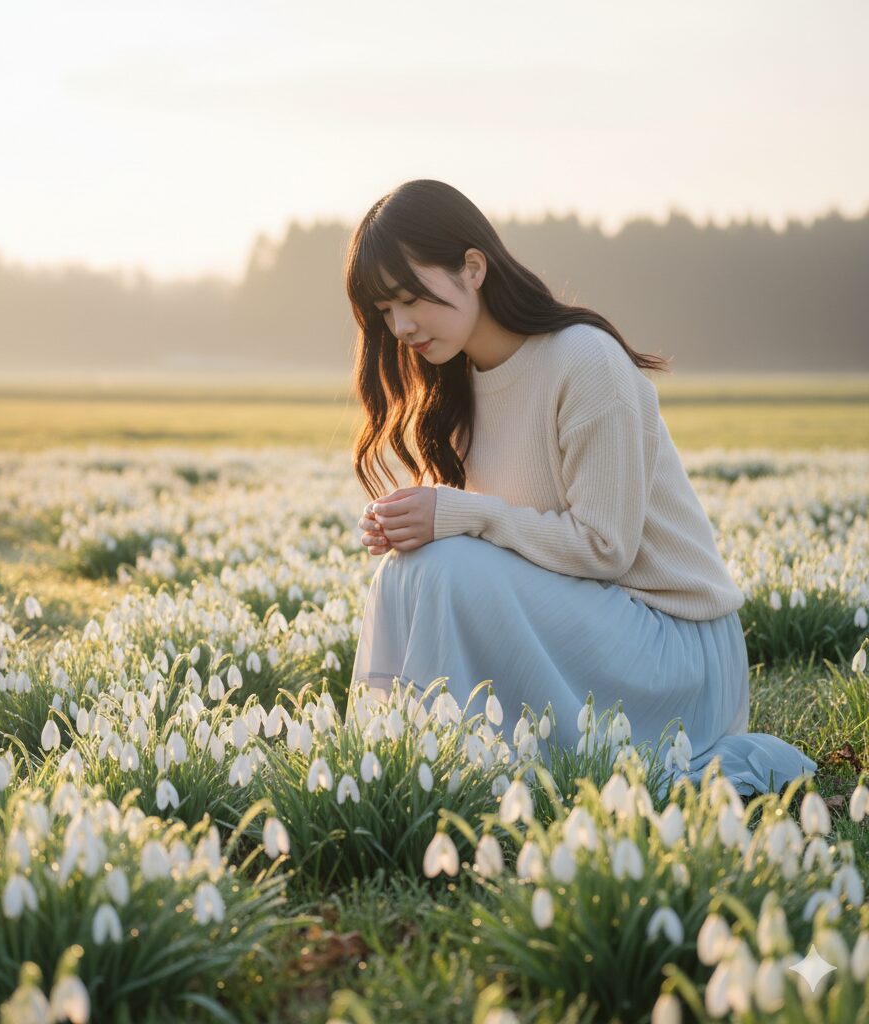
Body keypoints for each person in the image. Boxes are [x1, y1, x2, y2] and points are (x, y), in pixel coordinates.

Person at [343, 178, 817, 797]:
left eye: (411, 298)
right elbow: (492, 547)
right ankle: (404, 771)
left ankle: (454, 780)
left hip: (674, 649)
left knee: (448, 563)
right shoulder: (456, 389)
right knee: (409, 568)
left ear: (473, 269)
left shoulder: (583, 362)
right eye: (384, 311)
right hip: (590, 628)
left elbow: (605, 550)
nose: (401, 325)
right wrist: (413, 523)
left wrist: (463, 515)